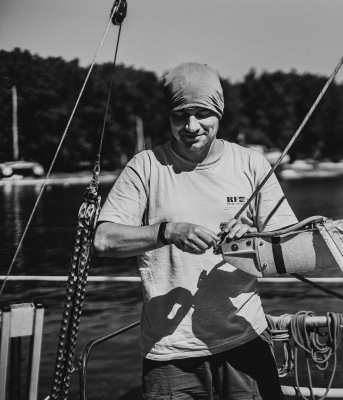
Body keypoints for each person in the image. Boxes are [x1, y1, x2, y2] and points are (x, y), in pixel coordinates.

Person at [93, 62, 297, 399]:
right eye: (180, 116)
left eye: (202, 114)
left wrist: (253, 238)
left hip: (246, 339)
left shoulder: (251, 163)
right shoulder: (145, 167)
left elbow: (291, 247)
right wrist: (167, 232)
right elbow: (103, 240)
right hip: (170, 351)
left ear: (219, 112)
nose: (191, 126)